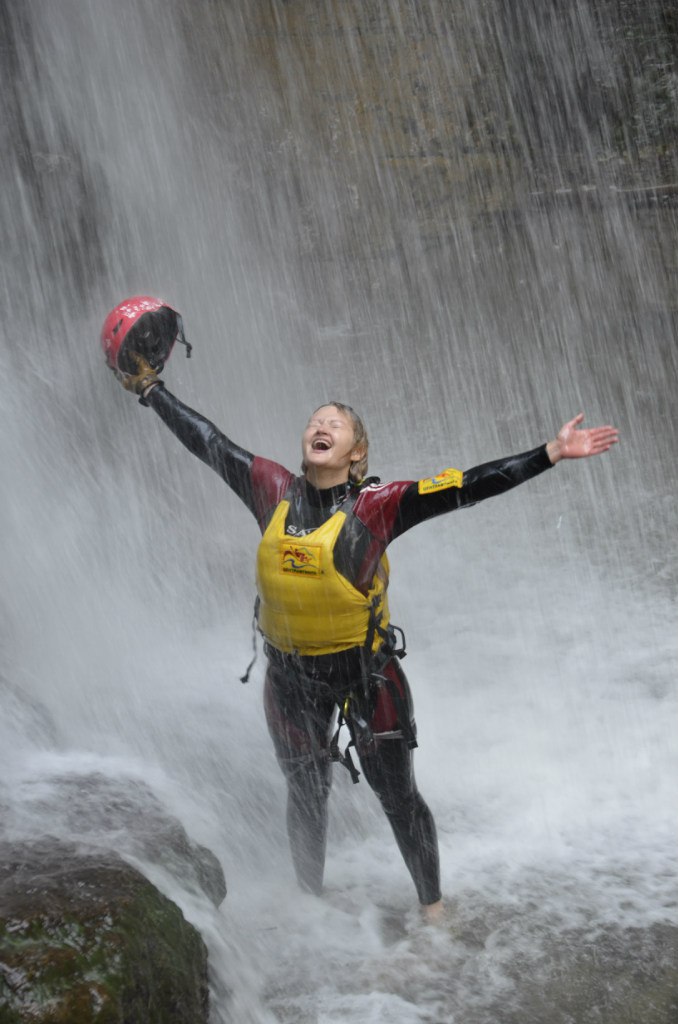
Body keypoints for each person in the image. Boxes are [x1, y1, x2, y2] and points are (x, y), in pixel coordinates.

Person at [102, 298, 619, 922]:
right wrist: (151, 391)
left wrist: (550, 453)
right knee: (305, 789)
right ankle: (310, 908)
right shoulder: (270, 489)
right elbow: (208, 441)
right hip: (290, 675)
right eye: (314, 420)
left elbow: (467, 487)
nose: (320, 425)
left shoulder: (380, 504)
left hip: (365, 673)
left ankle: (433, 909)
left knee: (397, 796)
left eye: (335, 424)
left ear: (356, 452)